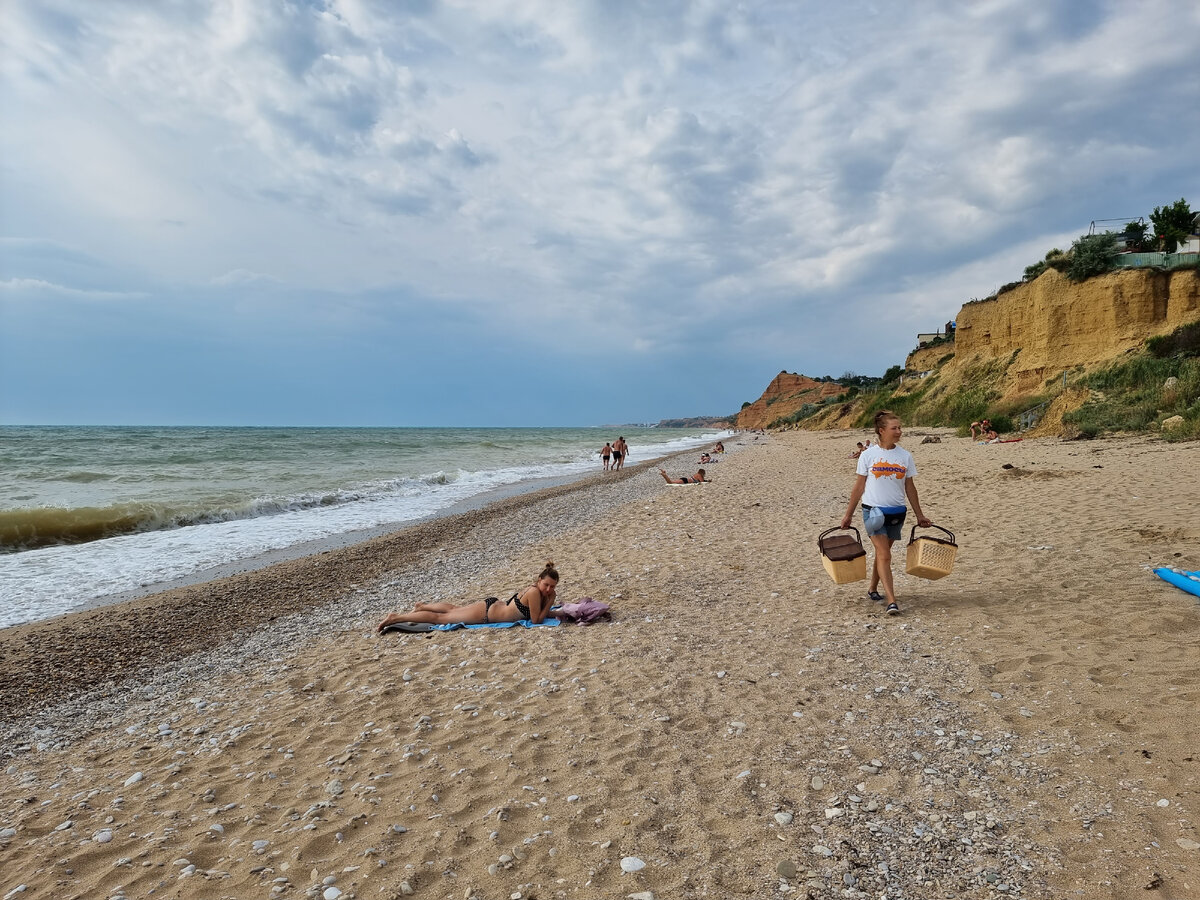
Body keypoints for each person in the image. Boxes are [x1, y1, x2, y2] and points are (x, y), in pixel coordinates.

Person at [840, 411, 931, 616]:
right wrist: (848, 515)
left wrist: (920, 515)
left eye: (900, 428)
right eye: (894, 428)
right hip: (873, 511)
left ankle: (873, 588)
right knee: (885, 555)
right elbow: (858, 487)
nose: (899, 431)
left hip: (897, 512)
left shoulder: (905, 456)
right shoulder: (868, 455)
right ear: (881, 431)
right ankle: (891, 601)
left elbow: (910, 488)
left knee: (883, 555)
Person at [376, 562, 559, 631]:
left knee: (453, 609)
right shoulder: (535, 592)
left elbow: (540, 613)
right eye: (547, 585)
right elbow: (536, 620)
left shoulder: (536, 590)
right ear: (539, 580)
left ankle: (422, 606)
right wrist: (550, 602)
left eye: (552, 587)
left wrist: (560, 611)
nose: (549, 589)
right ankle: (396, 618)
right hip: (485, 614)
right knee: (442, 618)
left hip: (491, 607)